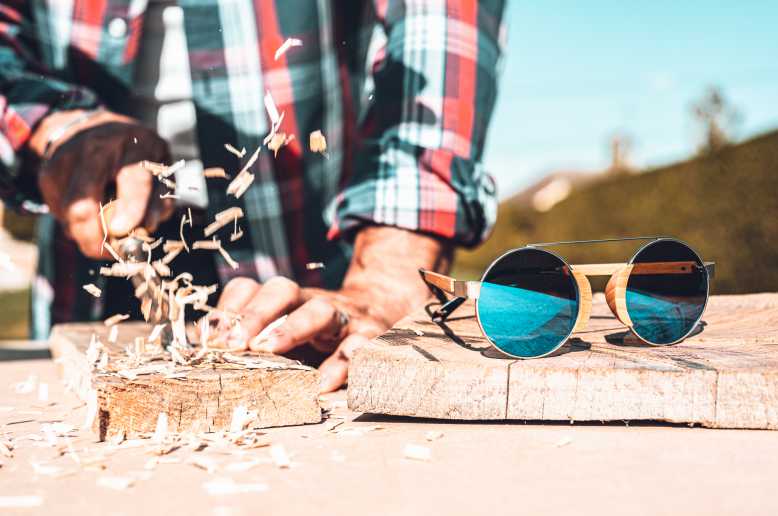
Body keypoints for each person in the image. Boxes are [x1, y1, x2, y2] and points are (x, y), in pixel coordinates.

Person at [0, 1, 505, 391]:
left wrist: (391, 271)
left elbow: (438, 20)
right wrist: (51, 123)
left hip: (316, 261)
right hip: (87, 272)